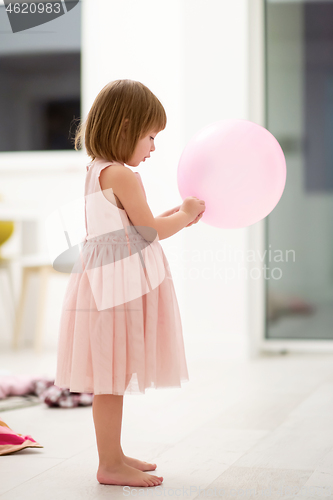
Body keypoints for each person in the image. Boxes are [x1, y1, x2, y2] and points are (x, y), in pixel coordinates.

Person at [54, 79, 205, 488]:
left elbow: (134, 222)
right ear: (125, 129)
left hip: (103, 280)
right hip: (117, 289)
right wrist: (187, 213)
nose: (153, 148)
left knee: (111, 375)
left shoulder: (96, 170)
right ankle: (109, 464)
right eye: (150, 137)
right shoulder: (123, 175)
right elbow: (150, 230)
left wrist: (179, 212)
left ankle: (115, 455)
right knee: (110, 378)